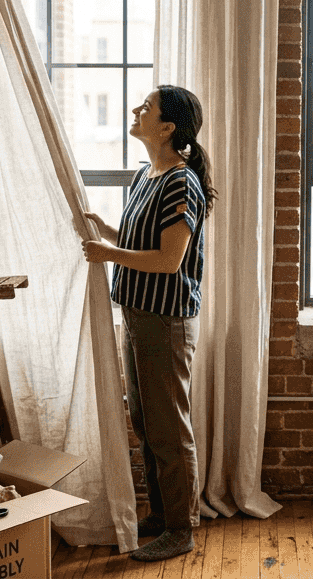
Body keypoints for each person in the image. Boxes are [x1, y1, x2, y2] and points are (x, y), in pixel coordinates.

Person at [82, 86, 217, 562]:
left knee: (168, 429)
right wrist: (108, 231)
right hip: (138, 315)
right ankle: (161, 516)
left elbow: (167, 260)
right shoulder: (147, 174)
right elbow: (143, 239)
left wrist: (108, 253)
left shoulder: (181, 182)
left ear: (167, 128)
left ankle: (181, 529)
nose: (136, 110)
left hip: (165, 320)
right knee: (145, 421)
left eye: (147, 107)